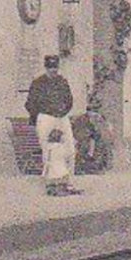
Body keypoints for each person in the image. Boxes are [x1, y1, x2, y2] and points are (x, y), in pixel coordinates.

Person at [26, 54, 78, 197]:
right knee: (48, 151)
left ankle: (68, 182)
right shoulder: (38, 83)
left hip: (62, 117)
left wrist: (62, 112)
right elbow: (31, 103)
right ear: (46, 67)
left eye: (55, 67)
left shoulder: (62, 82)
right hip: (45, 117)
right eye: (50, 68)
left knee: (69, 150)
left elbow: (69, 100)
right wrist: (44, 115)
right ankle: (50, 184)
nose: (53, 71)